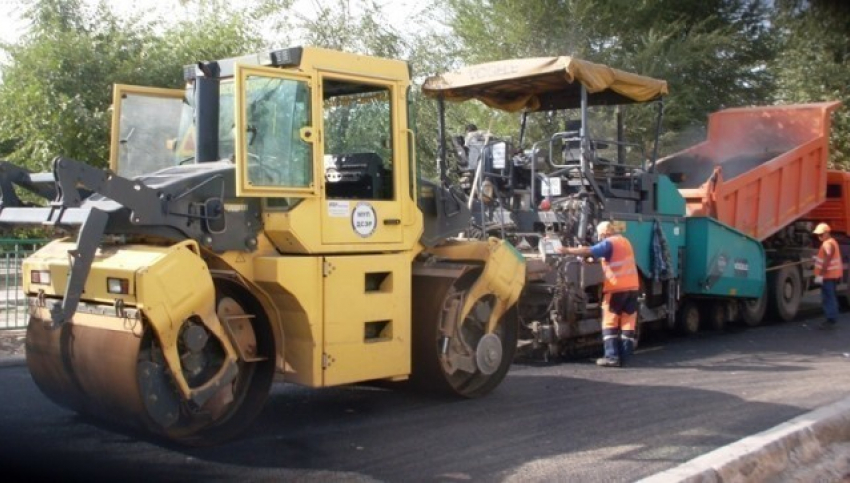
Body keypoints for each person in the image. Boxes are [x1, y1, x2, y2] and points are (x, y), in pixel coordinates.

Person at [560, 221, 639, 367]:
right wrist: (592, 259)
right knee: (628, 322)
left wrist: (566, 250)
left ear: (603, 234)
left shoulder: (609, 242)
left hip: (616, 289)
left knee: (610, 322)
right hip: (633, 288)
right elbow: (611, 257)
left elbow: (589, 250)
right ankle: (625, 357)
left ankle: (611, 357)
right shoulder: (624, 241)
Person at [813, 222, 843, 330]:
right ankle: (832, 316)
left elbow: (827, 258)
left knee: (828, 297)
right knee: (830, 296)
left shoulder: (827, 244)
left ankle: (831, 319)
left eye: (821, 234)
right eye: (818, 235)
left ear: (827, 233)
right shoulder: (832, 242)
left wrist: (820, 275)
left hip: (828, 276)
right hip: (832, 275)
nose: (819, 236)